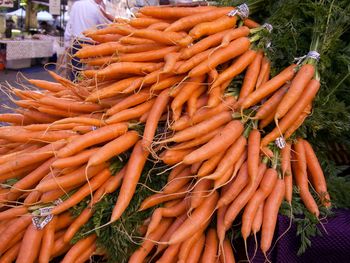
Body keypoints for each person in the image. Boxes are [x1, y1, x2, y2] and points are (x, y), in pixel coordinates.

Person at [64, 0, 113, 79]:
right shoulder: (95, 8)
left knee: (76, 70)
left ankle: (74, 87)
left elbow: (69, 24)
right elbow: (104, 26)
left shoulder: (76, 4)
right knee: (88, 72)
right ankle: (83, 88)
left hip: (76, 42)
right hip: (90, 44)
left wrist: (66, 42)